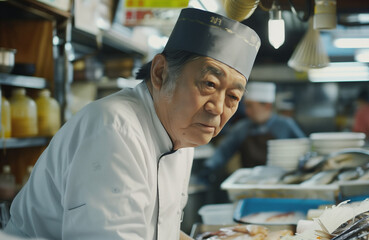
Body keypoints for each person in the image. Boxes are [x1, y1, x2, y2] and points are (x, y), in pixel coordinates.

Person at [4, 8, 260, 240]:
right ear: (160, 72)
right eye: (209, 84)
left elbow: (161, 229)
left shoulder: (182, 134)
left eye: (233, 97)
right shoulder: (115, 128)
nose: (217, 107)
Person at [202, 81, 306, 175]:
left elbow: (306, 149)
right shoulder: (242, 128)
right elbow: (222, 152)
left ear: (267, 106)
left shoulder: (286, 125)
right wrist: (207, 168)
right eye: (246, 106)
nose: (246, 111)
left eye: (250, 106)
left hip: (281, 181)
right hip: (250, 184)